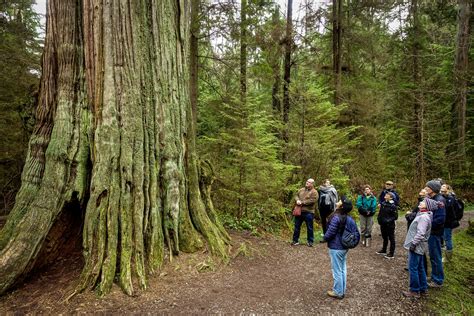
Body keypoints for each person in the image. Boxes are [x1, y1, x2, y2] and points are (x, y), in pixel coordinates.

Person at [323, 197, 357, 299]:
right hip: (344, 247)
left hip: (336, 247)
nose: (337, 202)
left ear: (341, 206)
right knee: (342, 268)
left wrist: (324, 238)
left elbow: (330, 232)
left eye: (340, 201)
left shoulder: (336, 217)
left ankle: (338, 292)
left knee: (337, 270)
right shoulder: (349, 218)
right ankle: (341, 290)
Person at [402, 198, 436, 298]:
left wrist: (413, 244)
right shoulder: (422, 215)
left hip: (417, 246)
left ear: (427, 206)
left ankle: (414, 291)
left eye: (423, 202)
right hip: (419, 246)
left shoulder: (424, 217)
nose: (421, 202)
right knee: (420, 268)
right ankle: (423, 289)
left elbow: (420, 233)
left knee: (413, 268)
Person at [424, 180, 446, 288]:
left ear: (432, 189)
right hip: (431, 232)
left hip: (435, 233)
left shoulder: (439, 200)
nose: (426, 188)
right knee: (432, 255)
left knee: (435, 255)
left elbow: (440, 219)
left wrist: (427, 224)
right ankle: (434, 276)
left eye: (427, 187)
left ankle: (438, 280)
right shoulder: (432, 199)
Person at [292, 178, 319, 247]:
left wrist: (302, 202)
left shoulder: (314, 192)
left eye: (309, 182)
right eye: (307, 181)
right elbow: (296, 196)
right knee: (297, 227)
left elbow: (312, 200)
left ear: (312, 184)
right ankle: (295, 241)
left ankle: (310, 242)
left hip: (309, 212)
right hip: (299, 211)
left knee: (309, 228)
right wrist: (297, 200)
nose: (307, 182)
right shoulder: (301, 190)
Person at [376, 192, 398, 259]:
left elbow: (395, 217)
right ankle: (384, 250)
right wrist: (379, 219)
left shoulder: (393, 206)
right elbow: (380, 213)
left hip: (390, 225)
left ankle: (391, 253)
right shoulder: (383, 204)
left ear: (391, 197)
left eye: (387, 195)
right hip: (383, 224)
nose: (385, 195)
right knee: (384, 237)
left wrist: (388, 220)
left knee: (391, 238)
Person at [440, 184, 457, 262]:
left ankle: (448, 258)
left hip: (448, 222)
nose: (441, 187)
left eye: (443, 186)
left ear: (448, 189)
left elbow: (447, 208)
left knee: (447, 238)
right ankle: (444, 254)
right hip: (444, 221)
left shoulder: (451, 198)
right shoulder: (443, 196)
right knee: (443, 237)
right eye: (441, 186)